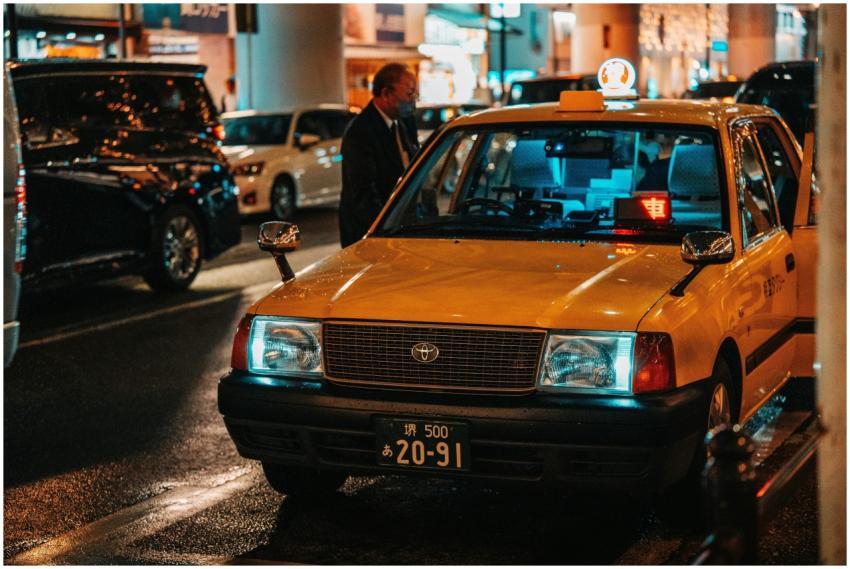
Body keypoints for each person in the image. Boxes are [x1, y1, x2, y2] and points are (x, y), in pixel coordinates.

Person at [338, 63, 419, 248]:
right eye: (408, 94)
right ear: (386, 94)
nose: (413, 100)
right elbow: (363, 192)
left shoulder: (404, 124)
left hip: (401, 230)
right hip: (369, 235)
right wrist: (386, 227)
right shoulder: (360, 132)